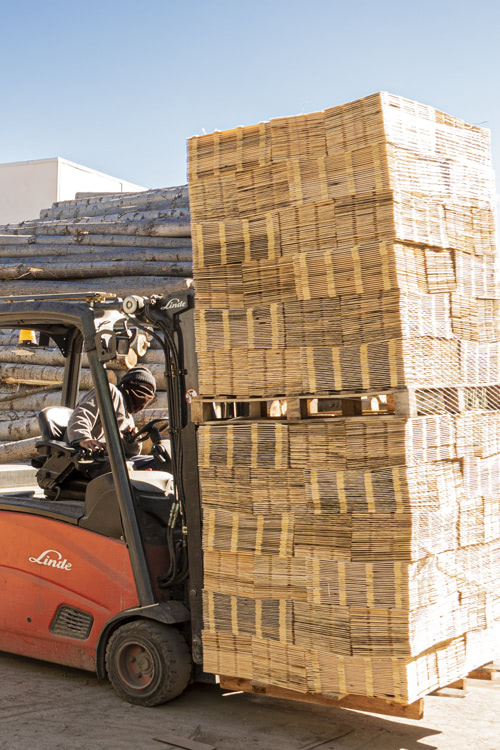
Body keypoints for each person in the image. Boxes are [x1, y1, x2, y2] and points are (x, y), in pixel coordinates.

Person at [66, 365, 157, 476]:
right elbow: (82, 414)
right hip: (89, 458)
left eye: (150, 392)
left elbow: (130, 453)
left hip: (112, 458)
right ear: (131, 383)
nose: (147, 395)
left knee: (159, 462)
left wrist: (132, 441)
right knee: (125, 467)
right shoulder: (109, 392)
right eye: (145, 388)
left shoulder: (128, 416)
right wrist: (83, 438)